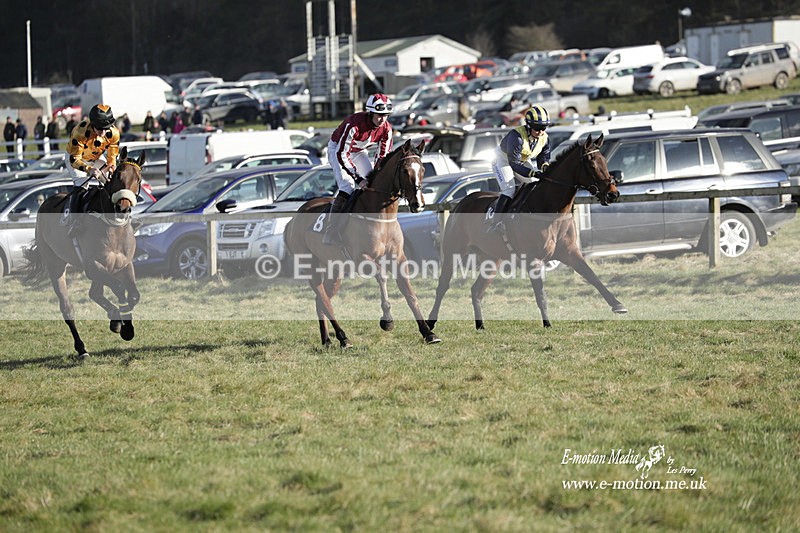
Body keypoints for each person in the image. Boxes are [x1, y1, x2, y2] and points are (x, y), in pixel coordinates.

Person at [322, 93, 394, 245]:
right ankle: (331, 231)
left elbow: (383, 157)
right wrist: (358, 178)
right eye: (379, 115)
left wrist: (376, 174)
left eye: (386, 115)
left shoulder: (387, 129)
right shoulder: (354, 124)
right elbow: (341, 154)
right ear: (370, 113)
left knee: (373, 183)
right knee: (347, 186)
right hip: (338, 150)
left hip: (359, 152)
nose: (382, 119)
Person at [487, 105, 552, 234]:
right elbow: (514, 164)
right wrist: (532, 172)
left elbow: (544, 156)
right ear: (528, 126)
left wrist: (544, 165)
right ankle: (495, 223)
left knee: (534, 184)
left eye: (543, 128)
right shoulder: (516, 137)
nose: (540, 132)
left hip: (520, 160)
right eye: (537, 128)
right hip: (503, 160)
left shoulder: (545, 138)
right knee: (509, 189)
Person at [65, 104, 120, 238]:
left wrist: (111, 166)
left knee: (111, 180)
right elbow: (75, 160)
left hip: (95, 157)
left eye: (106, 129)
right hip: (76, 158)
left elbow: (111, 158)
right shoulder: (80, 132)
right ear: (93, 124)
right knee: (82, 184)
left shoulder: (113, 133)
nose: (103, 133)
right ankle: (75, 221)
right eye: (100, 129)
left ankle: (116, 214)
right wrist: (89, 170)